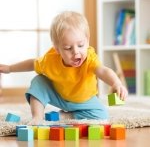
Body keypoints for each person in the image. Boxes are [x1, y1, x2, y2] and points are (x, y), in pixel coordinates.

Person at [0, 11, 128, 125]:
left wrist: (116, 83)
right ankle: (37, 117)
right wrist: (10, 68)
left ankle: (67, 115)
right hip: (59, 96)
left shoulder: (90, 58)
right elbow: (32, 64)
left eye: (81, 45)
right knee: (39, 81)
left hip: (84, 100)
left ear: (87, 41)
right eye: (68, 48)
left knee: (102, 114)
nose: (76, 52)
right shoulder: (50, 59)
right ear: (57, 49)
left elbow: (103, 70)